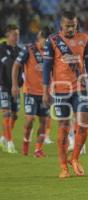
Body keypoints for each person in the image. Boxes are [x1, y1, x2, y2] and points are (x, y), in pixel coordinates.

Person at [42, 11, 88, 178]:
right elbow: (46, 67)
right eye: (68, 25)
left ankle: (75, 158)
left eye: (74, 25)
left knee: (84, 125)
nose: (71, 28)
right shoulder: (52, 40)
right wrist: (45, 91)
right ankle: (63, 166)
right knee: (64, 128)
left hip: (80, 89)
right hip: (60, 90)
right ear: (61, 25)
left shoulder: (85, 39)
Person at [11, 27, 53, 157]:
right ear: (39, 37)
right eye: (45, 41)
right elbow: (16, 66)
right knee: (29, 119)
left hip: (46, 92)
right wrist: (14, 85)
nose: (46, 44)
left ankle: (38, 150)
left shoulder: (52, 51)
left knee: (44, 122)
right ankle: (25, 144)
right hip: (30, 92)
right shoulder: (28, 49)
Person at [0, 24, 22, 153]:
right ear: (8, 34)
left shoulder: (19, 50)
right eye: (14, 34)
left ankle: (3, 137)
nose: (16, 37)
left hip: (16, 87)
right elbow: (8, 63)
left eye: (18, 34)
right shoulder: (2, 48)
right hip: (4, 85)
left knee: (14, 115)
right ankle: (10, 142)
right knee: (6, 113)